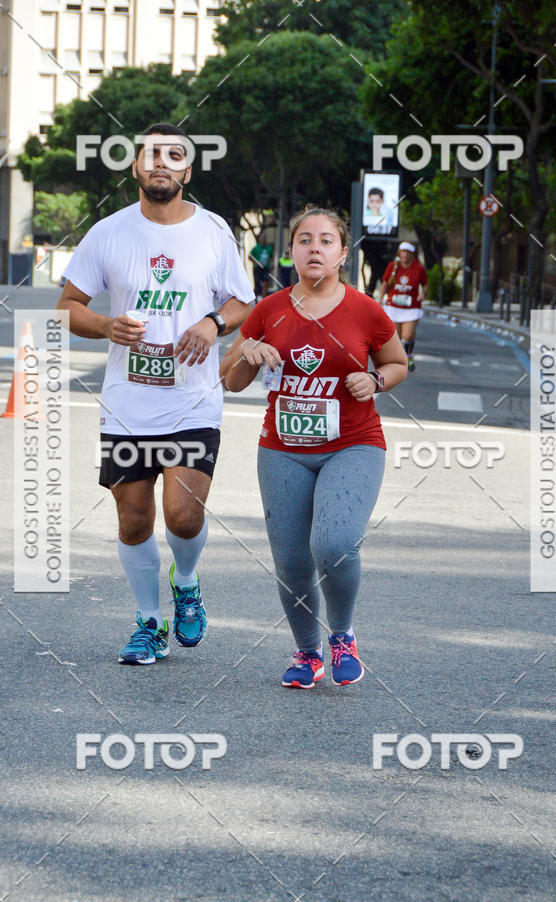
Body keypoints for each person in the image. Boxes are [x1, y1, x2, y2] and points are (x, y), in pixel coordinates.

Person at [57, 122, 254, 665]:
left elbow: (244, 302)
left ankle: (186, 581)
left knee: (182, 517)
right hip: (127, 405)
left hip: (192, 400)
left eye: (174, 156)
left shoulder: (213, 231)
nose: (161, 163)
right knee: (134, 519)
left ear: (187, 171)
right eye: (151, 155)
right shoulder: (109, 233)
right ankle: (149, 622)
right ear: (136, 167)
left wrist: (213, 324)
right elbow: (66, 307)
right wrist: (105, 326)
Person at [220, 206, 407, 689]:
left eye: (326, 241)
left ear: (342, 254)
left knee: (334, 545)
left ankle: (342, 636)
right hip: (282, 449)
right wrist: (248, 351)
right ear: (292, 252)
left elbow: (397, 362)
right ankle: (308, 653)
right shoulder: (270, 308)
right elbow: (232, 379)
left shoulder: (365, 309)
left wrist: (376, 379)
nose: (314, 248)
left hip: (353, 444)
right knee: (291, 560)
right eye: (305, 240)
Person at [381, 241, 428, 372]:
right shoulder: (392, 266)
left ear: (413, 255)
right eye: (403, 252)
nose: (405, 255)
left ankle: (409, 355)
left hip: (412, 307)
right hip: (394, 306)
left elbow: (425, 285)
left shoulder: (419, 268)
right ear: (399, 254)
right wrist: (380, 298)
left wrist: (423, 294)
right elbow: (385, 283)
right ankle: (396, 359)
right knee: (396, 336)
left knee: (408, 335)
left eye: (408, 253)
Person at [250, 232, 274, 299]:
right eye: (262, 238)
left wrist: (272, 263)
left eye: (265, 238)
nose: (263, 239)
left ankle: (264, 300)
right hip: (257, 268)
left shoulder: (269, 248)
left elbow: (271, 257)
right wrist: (255, 262)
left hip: (266, 268)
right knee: (257, 285)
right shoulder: (256, 248)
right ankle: (256, 301)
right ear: (260, 239)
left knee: (265, 284)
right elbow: (250, 257)